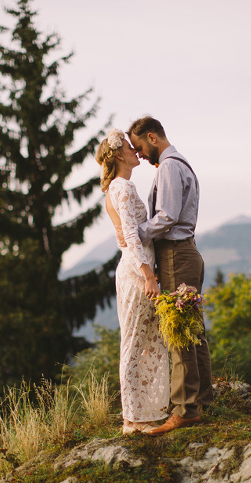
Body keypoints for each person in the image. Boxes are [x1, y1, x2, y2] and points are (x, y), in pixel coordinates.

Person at [127, 116, 213, 436]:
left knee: (178, 331)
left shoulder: (169, 167)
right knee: (192, 330)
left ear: (152, 137)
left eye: (139, 147)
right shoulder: (179, 164)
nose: (139, 154)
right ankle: (201, 399)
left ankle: (185, 409)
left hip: (176, 254)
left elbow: (166, 216)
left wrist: (135, 234)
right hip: (184, 252)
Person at [95, 128, 170, 435]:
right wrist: (148, 275)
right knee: (135, 342)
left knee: (149, 339)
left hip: (136, 269)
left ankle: (145, 413)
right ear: (117, 154)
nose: (135, 150)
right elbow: (129, 234)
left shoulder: (119, 186)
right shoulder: (122, 187)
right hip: (137, 273)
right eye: (129, 147)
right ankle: (132, 420)